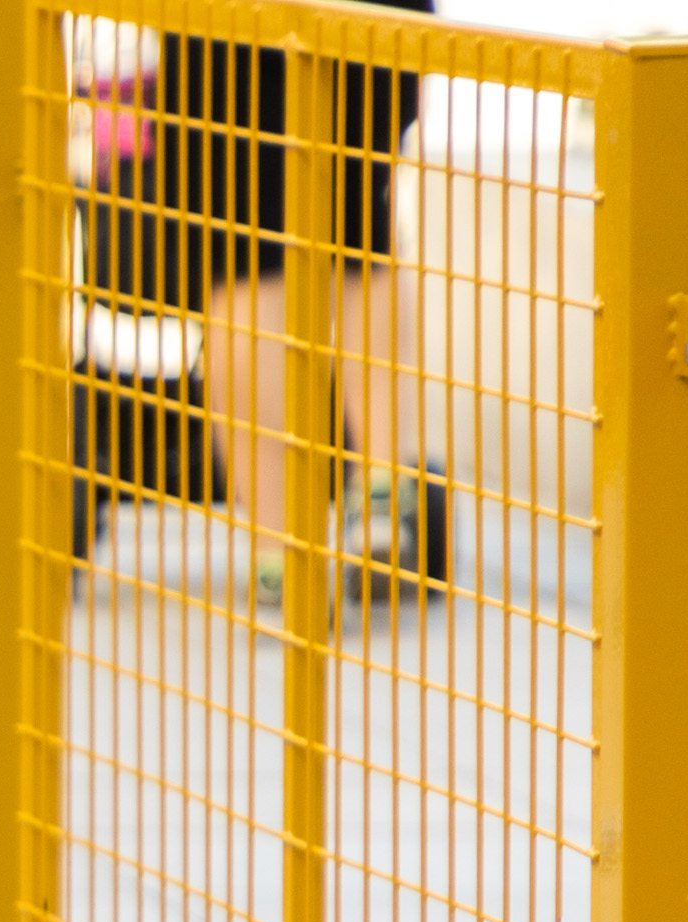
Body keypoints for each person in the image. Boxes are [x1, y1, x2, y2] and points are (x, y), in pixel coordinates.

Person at [82, 4, 446, 599]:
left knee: (246, 269)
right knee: (363, 236)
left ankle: (281, 562)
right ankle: (379, 487)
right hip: (368, 15)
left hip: (230, 28)